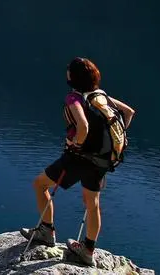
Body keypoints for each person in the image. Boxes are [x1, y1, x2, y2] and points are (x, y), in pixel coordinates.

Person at [21, 57, 135, 266]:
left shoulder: (74, 99)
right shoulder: (101, 96)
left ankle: (46, 231)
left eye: (68, 71)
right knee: (92, 205)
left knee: (40, 184)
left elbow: (82, 126)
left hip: (79, 158)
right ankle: (87, 250)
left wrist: (75, 143)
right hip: (102, 160)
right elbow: (128, 112)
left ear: (73, 77)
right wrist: (112, 140)